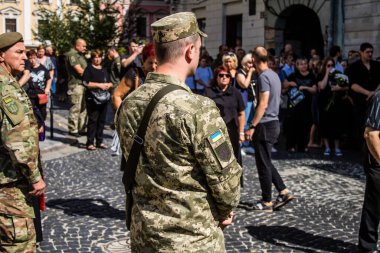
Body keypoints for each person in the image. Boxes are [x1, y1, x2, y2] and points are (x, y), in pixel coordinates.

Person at [116, 12, 242, 252]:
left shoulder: (129, 104)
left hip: (145, 237)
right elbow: (227, 186)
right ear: (190, 51)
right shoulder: (198, 109)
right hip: (192, 240)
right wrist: (225, 211)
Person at [0, 32, 46, 253]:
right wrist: (35, 177)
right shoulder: (6, 88)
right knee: (18, 245)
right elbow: (16, 139)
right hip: (10, 184)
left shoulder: (8, 81)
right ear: (1, 56)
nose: (25, 57)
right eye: (18, 52)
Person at [245, 46, 294, 212]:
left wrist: (252, 126)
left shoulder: (264, 77)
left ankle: (266, 201)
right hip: (273, 123)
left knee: (263, 165)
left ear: (254, 60)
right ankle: (283, 191)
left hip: (265, 124)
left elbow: (263, 104)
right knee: (265, 161)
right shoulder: (274, 75)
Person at [205, 65, 245, 166]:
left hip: (233, 132)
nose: (224, 77)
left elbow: (241, 113)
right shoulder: (209, 92)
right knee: (222, 162)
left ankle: (237, 182)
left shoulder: (235, 92)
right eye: (221, 75)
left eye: (227, 75)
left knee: (235, 161)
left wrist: (241, 132)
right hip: (216, 133)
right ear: (216, 77)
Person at [358, 90, 380, 252]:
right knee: (374, 204)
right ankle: (367, 247)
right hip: (377, 159)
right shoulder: (379, 98)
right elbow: (371, 134)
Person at [348, 42, 380, 149]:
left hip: (376, 101)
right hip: (361, 101)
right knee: (361, 126)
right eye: (367, 52)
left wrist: (374, 93)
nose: (370, 54)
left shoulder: (377, 65)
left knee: (375, 126)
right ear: (361, 53)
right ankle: (363, 150)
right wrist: (368, 93)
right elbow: (353, 85)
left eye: (371, 52)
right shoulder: (354, 67)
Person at [283, 57, 317, 152]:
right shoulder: (293, 75)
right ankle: (291, 146)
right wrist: (290, 83)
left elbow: (314, 90)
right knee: (292, 125)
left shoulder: (312, 76)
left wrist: (305, 88)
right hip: (294, 105)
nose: (303, 66)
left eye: (305, 63)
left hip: (306, 105)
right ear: (297, 66)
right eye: (301, 64)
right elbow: (284, 85)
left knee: (305, 125)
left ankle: (302, 146)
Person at [82, 49, 113, 151]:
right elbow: (85, 82)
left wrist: (108, 85)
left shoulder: (104, 69)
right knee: (93, 120)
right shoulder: (89, 69)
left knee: (102, 121)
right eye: (95, 57)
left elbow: (110, 82)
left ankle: (99, 141)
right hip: (92, 98)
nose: (97, 59)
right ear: (92, 58)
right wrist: (99, 85)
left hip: (104, 98)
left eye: (99, 57)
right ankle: (90, 142)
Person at [317, 57, 348, 156]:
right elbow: (321, 86)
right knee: (325, 125)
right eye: (328, 65)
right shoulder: (321, 75)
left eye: (332, 65)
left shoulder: (338, 74)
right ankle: (327, 147)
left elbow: (346, 86)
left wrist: (339, 88)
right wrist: (327, 73)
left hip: (336, 104)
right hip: (324, 104)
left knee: (336, 125)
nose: (330, 67)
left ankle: (337, 148)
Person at [65, 38, 88, 137]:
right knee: (76, 108)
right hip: (76, 85)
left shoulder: (80, 55)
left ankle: (82, 128)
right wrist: (92, 75)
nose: (85, 48)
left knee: (83, 108)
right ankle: (73, 129)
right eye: (83, 46)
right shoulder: (72, 55)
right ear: (77, 45)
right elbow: (79, 70)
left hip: (82, 85)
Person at [24, 49, 51, 121]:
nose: (32, 60)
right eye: (30, 58)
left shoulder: (43, 68)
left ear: (36, 57)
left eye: (34, 58)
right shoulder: (26, 69)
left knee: (43, 114)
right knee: (31, 114)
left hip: (41, 94)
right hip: (30, 94)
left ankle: (42, 127)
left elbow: (49, 78)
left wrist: (47, 88)